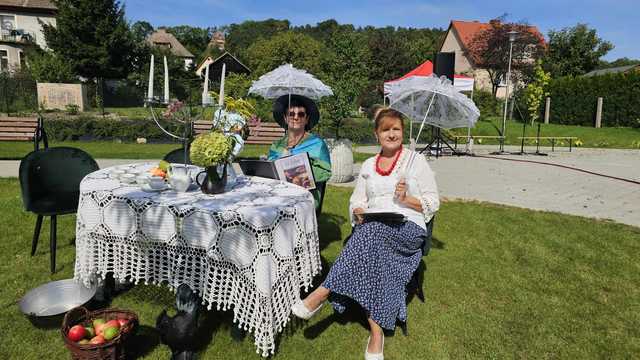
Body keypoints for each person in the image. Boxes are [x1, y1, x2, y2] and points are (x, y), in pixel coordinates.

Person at [291, 108, 439, 360]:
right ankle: (377, 332)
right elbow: (357, 200)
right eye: (386, 129)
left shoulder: (415, 161)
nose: (391, 134)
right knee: (371, 235)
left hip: (408, 226)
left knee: (369, 235)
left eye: (396, 129)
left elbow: (433, 202)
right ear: (376, 133)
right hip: (373, 225)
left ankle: (322, 293)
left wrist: (407, 198)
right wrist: (359, 210)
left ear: (402, 132)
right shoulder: (369, 165)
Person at [268, 94, 331, 209]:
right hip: (278, 194)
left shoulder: (317, 144)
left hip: (305, 197)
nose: (296, 118)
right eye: (291, 114)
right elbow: (269, 170)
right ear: (285, 118)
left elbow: (326, 172)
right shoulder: (276, 145)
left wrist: (300, 173)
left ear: (306, 119)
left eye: (301, 114)